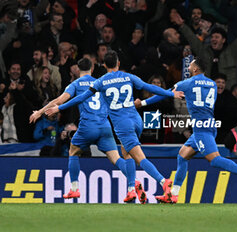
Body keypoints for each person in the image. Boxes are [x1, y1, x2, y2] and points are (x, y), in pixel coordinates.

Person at [45, 51, 185, 201]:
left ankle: (164, 182)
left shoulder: (100, 82)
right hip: (136, 120)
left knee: (140, 158)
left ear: (104, 65)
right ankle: (131, 189)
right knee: (126, 154)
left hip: (123, 125)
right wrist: (170, 94)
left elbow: (80, 98)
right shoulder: (128, 76)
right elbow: (149, 87)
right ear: (118, 63)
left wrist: (58, 108)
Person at [137, 58, 237, 204]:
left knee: (214, 160)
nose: (189, 66)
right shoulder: (212, 84)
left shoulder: (187, 83)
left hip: (201, 128)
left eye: (191, 64)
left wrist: (142, 103)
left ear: (195, 69)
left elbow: (163, 93)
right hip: (209, 125)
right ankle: (173, 195)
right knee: (182, 156)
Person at [30, 58, 147, 204]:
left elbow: (60, 101)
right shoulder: (102, 81)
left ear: (78, 70)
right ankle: (133, 181)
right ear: (92, 69)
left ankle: (74, 188)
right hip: (105, 127)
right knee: (116, 158)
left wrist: (39, 112)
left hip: (87, 127)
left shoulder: (76, 84)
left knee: (73, 151)